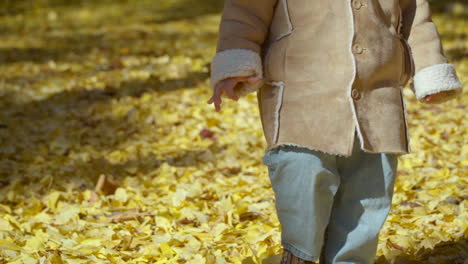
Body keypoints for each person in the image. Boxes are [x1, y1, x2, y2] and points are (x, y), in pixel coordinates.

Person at [207, 0, 463, 263]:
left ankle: (350, 258)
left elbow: (415, 16)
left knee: (369, 192)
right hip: (302, 98)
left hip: (377, 100)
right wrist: (236, 63)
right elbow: (246, 11)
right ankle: (299, 254)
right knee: (302, 176)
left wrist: (429, 67)